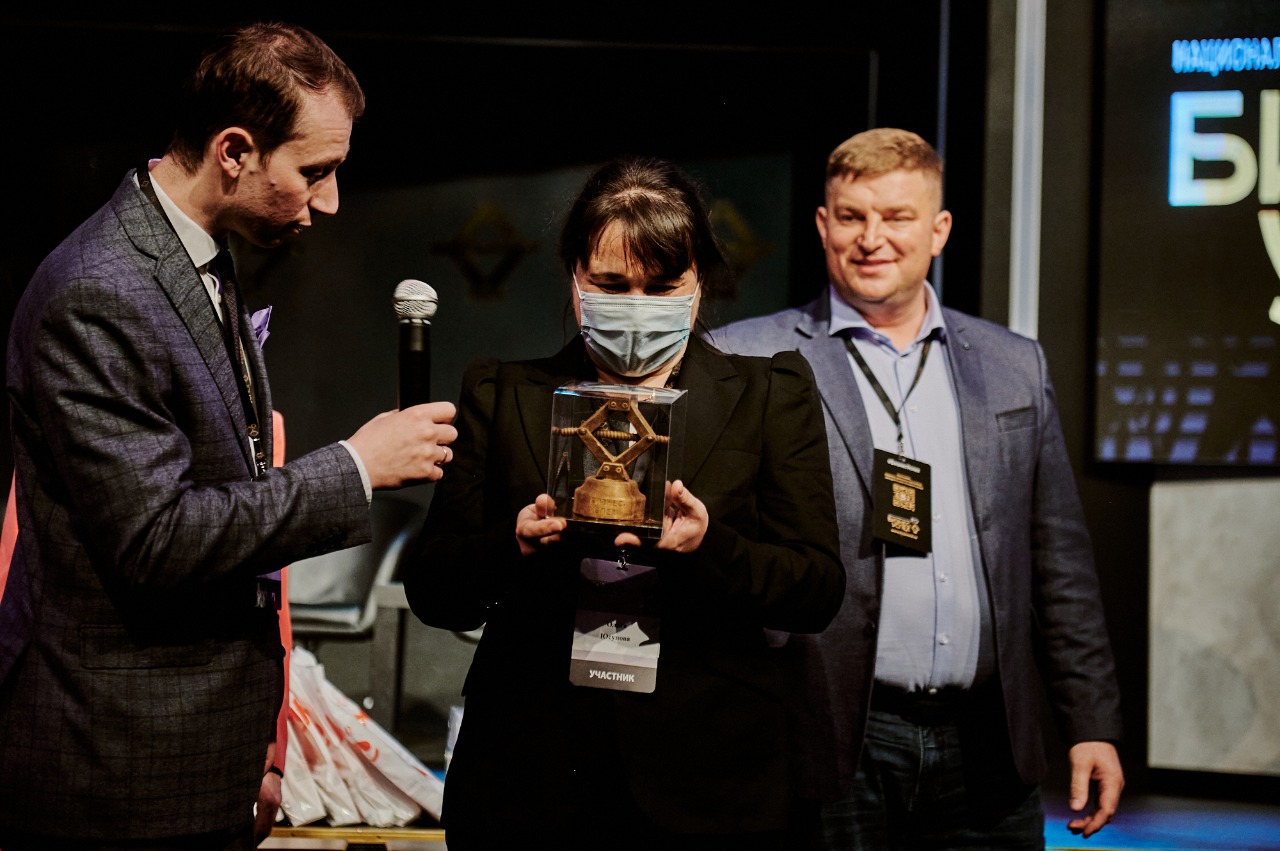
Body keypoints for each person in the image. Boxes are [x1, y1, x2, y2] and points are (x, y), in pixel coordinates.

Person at [0, 23, 457, 850]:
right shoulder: (98, 292)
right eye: (314, 172)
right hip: (120, 768)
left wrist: (263, 749)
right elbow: (158, 537)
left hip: (204, 749)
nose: (330, 202)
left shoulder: (198, 255)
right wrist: (356, 467)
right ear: (236, 151)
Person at [402, 156, 845, 850]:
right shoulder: (504, 392)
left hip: (710, 778)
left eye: (662, 286)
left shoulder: (768, 394)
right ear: (575, 278)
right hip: (531, 771)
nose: (637, 304)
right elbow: (435, 589)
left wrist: (711, 547)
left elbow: (815, 588)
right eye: (612, 285)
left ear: (698, 285)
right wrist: (513, 545)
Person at [707, 128, 1124, 849]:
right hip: (829, 741)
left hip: (987, 744)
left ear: (939, 229)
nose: (872, 239)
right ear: (823, 224)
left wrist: (1091, 722)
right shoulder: (748, 355)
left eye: (897, 217)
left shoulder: (1014, 364)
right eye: (852, 216)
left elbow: (1060, 565)